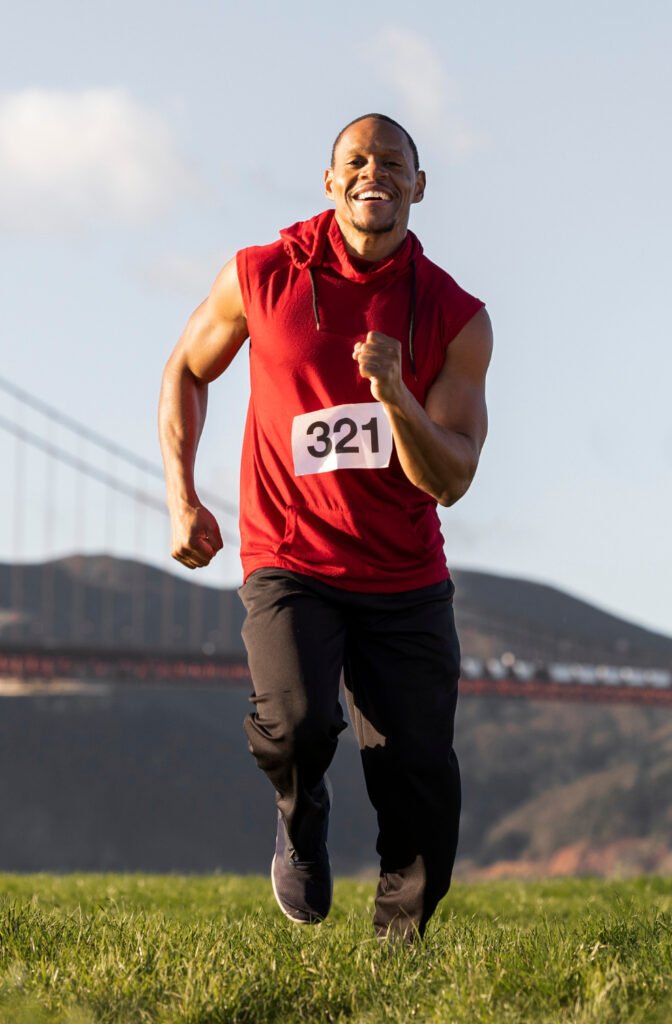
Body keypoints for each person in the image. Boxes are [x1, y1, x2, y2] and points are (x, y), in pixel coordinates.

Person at [159, 113, 493, 941]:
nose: (370, 173)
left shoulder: (455, 317)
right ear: (328, 181)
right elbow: (185, 369)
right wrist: (181, 495)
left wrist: (396, 398)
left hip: (405, 574)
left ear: (418, 186)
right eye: (354, 161)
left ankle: (396, 949)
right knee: (297, 724)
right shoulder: (261, 275)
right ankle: (299, 818)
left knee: (418, 775)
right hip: (290, 557)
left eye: (390, 163)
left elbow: (449, 479)